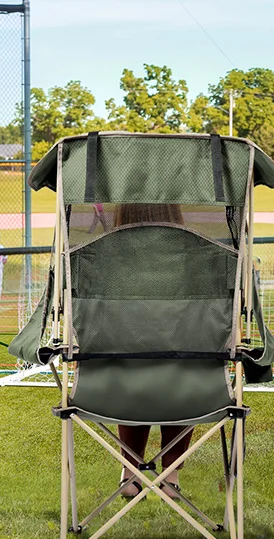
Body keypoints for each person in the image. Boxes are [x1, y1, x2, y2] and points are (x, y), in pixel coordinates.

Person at [110, 203, 191, 499]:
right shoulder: (194, 260)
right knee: (186, 366)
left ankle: (129, 474)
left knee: (131, 364)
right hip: (189, 386)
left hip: (113, 385)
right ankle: (170, 474)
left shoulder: (104, 261)